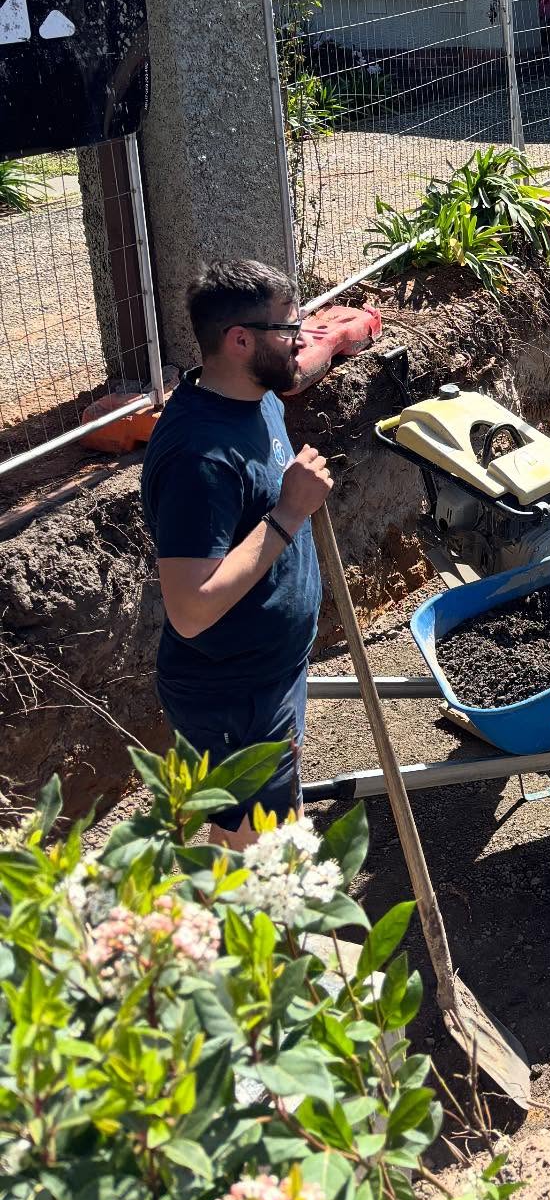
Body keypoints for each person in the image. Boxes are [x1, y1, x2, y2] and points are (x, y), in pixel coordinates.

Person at [140, 259, 333, 847]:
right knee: (263, 872)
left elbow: (301, 365)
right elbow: (190, 610)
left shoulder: (254, 395)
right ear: (240, 340)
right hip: (234, 699)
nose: (298, 339)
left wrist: (345, 334)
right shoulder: (199, 459)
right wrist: (288, 513)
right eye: (287, 329)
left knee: (250, 856)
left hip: (268, 675)